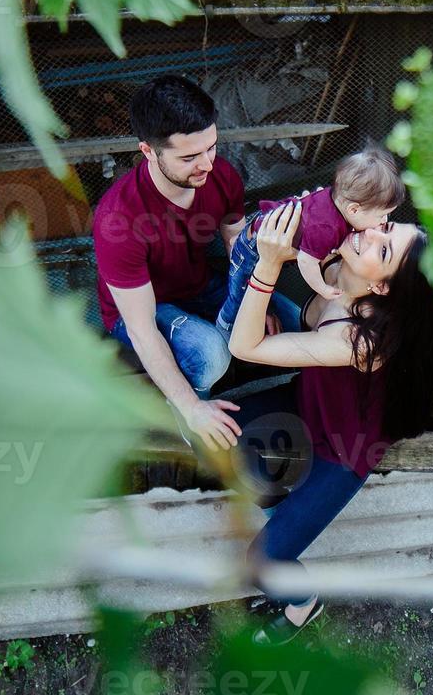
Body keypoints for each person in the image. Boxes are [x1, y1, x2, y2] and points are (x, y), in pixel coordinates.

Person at [225, 199, 433, 646]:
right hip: (308, 402)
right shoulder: (339, 255)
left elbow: (244, 347)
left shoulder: (360, 341)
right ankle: (282, 507)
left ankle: (303, 603)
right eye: (389, 227)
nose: (372, 234)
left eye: (384, 251)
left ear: (381, 289)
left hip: (342, 451)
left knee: (263, 561)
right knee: (220, 435)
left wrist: (266, 269)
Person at [93, 75, 302, 448]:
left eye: (212, 147)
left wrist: (259, 299)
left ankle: (312, 410)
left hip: (200, 285)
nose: (206, 164)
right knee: (210, 355)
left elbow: (238, 244)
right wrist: (190, 407)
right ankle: (194, 421)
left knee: (295, 321)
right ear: (148, 151)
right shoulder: (118, 220)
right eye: (189, 157)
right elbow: (141, 329)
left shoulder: (220, 176)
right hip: (143, 308)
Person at [214, 147, 405, 336]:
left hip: (261, 226)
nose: (383, 222)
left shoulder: (337, 200)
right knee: (239, 294)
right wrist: (322, 288)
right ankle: (225, 325)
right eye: (382, 215)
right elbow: (306, 261)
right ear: (353, 210)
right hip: (252, 250)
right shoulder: (327, 228)